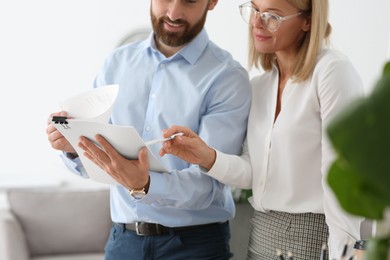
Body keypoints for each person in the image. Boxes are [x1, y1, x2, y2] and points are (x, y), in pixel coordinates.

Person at [46, 0, 251, 259]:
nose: (174, 13)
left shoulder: (227, 77)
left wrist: (146, 184)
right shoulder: (116, 63)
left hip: (194, 247)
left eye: (189, 1)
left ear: (212, 2)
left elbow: (208, 186)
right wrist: (74, 147)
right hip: (123, 242)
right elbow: (103, 163)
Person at [160, 0, 365, 259]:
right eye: (255, 10)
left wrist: (343, 254)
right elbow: (253, 175)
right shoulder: (259, 86)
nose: (257, 22)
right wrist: (207, 156)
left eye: (272, 16)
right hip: (262, 235)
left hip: (314, 237)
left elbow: (342, 180)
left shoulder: (331, 72)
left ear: (308, 21)